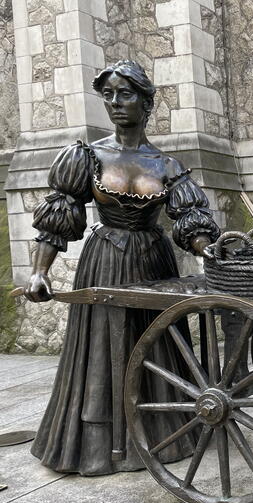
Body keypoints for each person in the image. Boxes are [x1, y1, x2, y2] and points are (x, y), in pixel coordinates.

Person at [24, 60, 221, 475]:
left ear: (146, 103)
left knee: (156, 345)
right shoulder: (86, 155)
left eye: (125, 93)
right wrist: (39, 271)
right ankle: (98, 446)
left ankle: (161, 436)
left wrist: (210, 253)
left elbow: (190, 222)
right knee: (100, 354)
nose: (114, 102)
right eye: (108, 94)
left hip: (153, 261)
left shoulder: (166, 165)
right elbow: (61, 214)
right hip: (106, 261)